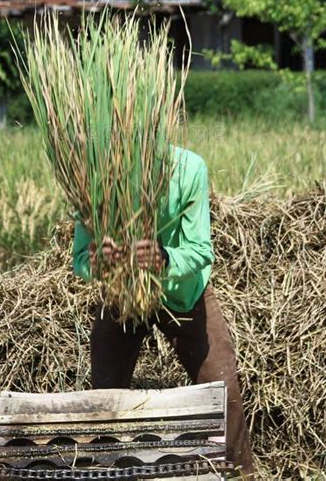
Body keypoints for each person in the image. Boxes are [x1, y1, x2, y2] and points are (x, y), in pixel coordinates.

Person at [73, 146, 254, 478]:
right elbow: (80, 259)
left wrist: (165, 259)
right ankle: (106, 469)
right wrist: (96, 263)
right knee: (104, 393)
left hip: (182, 293)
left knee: (224, 392)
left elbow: (200, 250)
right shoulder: (95, 176)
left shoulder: (188, 168)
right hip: (122, 295)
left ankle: (239, 475)